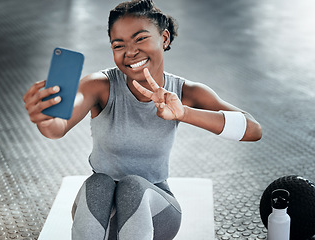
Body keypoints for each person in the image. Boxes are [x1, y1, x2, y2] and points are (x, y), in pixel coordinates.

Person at [23, 0, 262, 239]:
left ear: (164, 38)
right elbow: (58, 127)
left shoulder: (186, 91)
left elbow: (252, 130)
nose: (130, 52)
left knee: (133, 186)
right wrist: (45, 118)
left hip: (155, 213)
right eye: (119, 45)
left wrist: (184, 113)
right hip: (100, 216)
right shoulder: (99, 85)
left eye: (140, 39)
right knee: (98, 183)